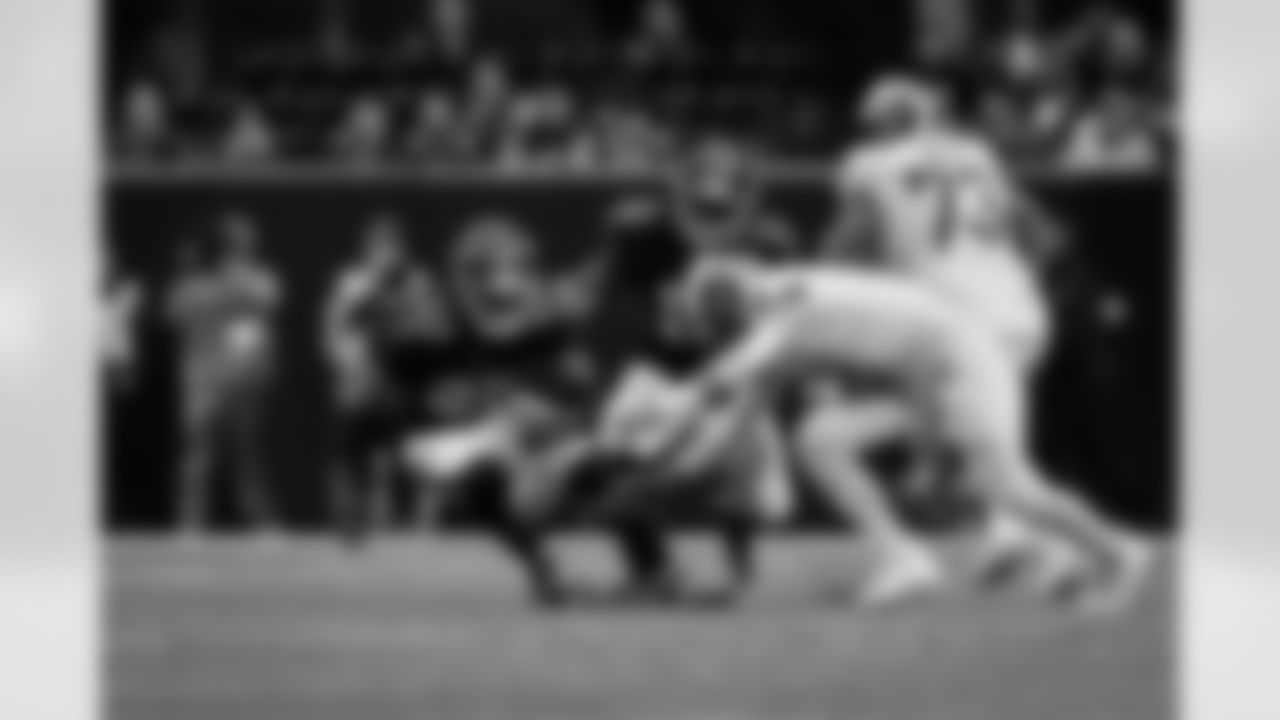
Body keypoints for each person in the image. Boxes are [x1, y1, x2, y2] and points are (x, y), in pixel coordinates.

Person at [659, 257, 1150, 612]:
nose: (714, 333)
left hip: (959, 365)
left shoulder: (785, 306)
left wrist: (931, 454)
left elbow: (734, 376)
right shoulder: (782, 305)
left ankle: (1117, 553)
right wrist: (675, 454)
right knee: (822, 437)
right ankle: (903, 557)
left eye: (710, 323)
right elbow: (744, 399)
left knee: (1008, 487)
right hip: (937, 368)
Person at [323, 215, 456, 544]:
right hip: (364, 384)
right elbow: (335, 331)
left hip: (405, 384)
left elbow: (434, 327)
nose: (387, 252)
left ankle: (424, 525)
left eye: (392, 245)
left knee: (419, 454)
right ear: (368, 248)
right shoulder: (352, 283)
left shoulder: (417, 281)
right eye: (380, 245)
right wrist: (348, 363)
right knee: (355, 455)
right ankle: (361, 521)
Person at [167, 215, 282, 536]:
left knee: (247, 456)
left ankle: (261, 522)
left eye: (243, 241)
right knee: (199, 455)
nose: (239, 247)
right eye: (234, 242)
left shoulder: (255, 279)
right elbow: (175, 313)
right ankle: (189, 525)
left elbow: (268, 299)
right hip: (203, 382)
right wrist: (188, 275)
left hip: (240, 383)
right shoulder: (195, 285)